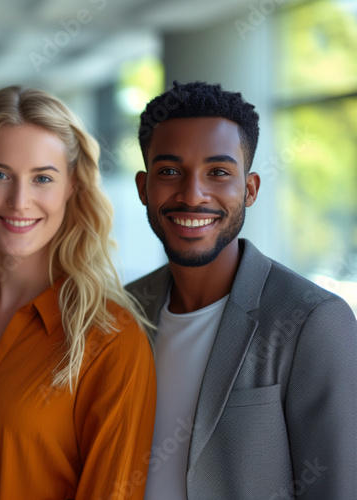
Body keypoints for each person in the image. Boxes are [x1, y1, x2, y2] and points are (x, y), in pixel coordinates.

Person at [0, 86, 156, 499]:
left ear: (72, 185)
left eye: (42, 178)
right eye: (0, 175)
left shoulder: (110, 340)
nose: (19, 201)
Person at [127, 80, 357, 499]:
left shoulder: (313, 320)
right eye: (170, 172)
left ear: (249, 189)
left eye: (218, 172)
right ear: (144, 188)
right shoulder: (119, 311)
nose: (193, 194)